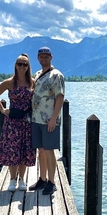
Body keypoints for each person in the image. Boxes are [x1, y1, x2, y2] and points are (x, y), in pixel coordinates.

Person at [0, 53, 36, 191]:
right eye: (19, 63)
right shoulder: (9, 82)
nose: (22, 66)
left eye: (25, 64)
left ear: (28, 66)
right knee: (13, 150)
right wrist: (3, 110)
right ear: (15, 65)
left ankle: (22, 180)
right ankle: (12, 180)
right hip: (13, 122)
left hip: (27, 121)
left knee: (24, 149)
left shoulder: (33, 82)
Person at [29, 46, 65, 195]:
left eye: (46, 56)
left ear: (51, 57)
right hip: (36, 119)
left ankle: (52, 182)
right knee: (41, 151)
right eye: (41, 56)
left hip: (49, 120)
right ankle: (42, 179)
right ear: (38, 58)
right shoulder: (37, 74)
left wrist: (54, 118)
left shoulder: (56, 75)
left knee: (50, 151)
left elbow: (60, 97)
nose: (44, 59)